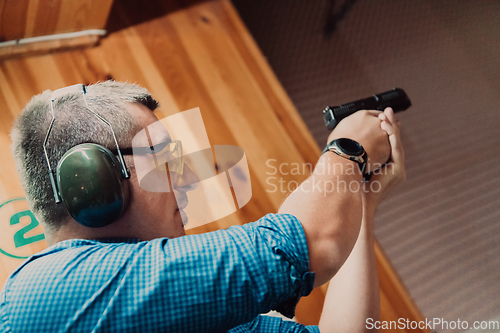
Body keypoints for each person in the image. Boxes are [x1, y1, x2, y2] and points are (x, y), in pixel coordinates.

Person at [0, 81, 405, 332]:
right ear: (92, 180)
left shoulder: (178, 305)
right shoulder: (44, 292)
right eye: (162, 159)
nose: (184, 177)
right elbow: (311, 242)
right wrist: (347, 152)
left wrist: (362, 199)